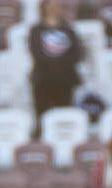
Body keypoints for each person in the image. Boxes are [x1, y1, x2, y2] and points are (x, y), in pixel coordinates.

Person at [29, 0, 84, 133]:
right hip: (43, 80)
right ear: (44, 7)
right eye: (50, 5)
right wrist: (54, 63)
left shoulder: (68, 29)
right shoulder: (36, 30)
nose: (54, 8)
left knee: (63, 116)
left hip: (64, 80)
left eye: (56, 5)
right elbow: (36, 52)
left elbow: (77, 53)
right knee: (42, 117)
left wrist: (60, 64)